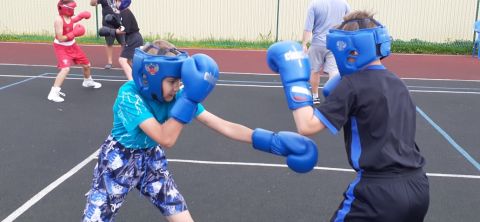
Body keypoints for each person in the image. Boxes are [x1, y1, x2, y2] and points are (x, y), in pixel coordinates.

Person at [82, 40, 319, 222]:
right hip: (118, 161)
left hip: (151, 160)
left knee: (182, 215)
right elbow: (166, 138)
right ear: (151, 78)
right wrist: (190, 98)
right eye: (172, 82)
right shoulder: (129, 95)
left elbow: (222, 124)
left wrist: (271, 141)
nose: (177, 88)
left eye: (179, 82)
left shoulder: (180, 96)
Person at [267, 11, 429, 222]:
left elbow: (307, 126)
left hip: (378, 194)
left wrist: (294, 80)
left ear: (351, 49)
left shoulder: (352, 85)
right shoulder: (398, 83)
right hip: (418, 187)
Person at [48, 0, 102, 103]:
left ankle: (87, 81)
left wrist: (82, 16)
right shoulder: (58, 20)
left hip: (72, 45)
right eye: (72, 8)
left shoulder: (68, 17)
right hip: (61, 47)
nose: (73, 10)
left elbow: (74, 20)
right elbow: (60, 38)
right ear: (65, 9)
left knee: (87, 65)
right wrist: (74, 33)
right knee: (65, 69)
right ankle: (53, 93)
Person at [301, 0, 350, 104]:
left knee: (314, 70)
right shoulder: (344, 4)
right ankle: (333, 96)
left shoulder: (314, 4)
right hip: (335, 43)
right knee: (334, 72)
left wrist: (304, 43)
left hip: (317, 43)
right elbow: (349, 24)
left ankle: (315, 97)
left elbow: (308, 28)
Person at [90, 0, 126, 69]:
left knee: (123, 42)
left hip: (119, 22)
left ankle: (125, 60)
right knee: (109, 43)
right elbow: (93, 4)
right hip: (107, 24)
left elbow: (126, 6)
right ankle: (110, 62)